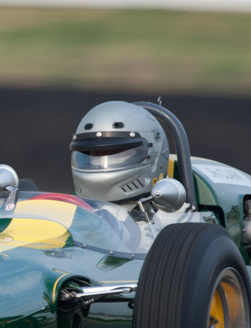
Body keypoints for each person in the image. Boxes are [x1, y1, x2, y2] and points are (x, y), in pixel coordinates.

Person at [68, 101, 195, 250]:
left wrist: (119, 231)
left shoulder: (177, 217)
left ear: (153, 153)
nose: (103, 162)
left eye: (118, 153)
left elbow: (180, 253)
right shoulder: (76, 208)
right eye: (93, 155)